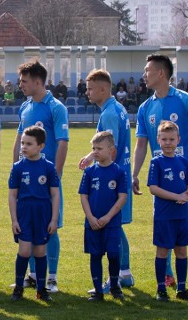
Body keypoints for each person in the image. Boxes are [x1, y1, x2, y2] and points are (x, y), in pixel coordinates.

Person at [133, 54, 188, 293]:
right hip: (161, 177)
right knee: (165, 221)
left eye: (147, 70)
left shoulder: (186, 100)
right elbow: (141, 144)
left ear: (161, 73)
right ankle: (168, 275)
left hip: (187, 173)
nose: (144, 74)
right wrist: (135, 174)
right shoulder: (145, 107)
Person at [12, 60, 68, 292]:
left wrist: (56, 174)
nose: (20, 85)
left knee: (49, 227)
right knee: (29, 226)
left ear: (37, 81)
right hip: (26, 178)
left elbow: (63, 142)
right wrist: (16, 165)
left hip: (46, 178)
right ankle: (34, 275)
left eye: (24, 81)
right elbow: (18, 140)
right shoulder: (25, 107)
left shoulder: (56, 107)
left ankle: (51, 277)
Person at [78, 70, 135, 293]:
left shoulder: (110, 113)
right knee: (117, 227)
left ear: (103, 89)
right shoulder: (117, 108)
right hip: (120, 176)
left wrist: (91, 157)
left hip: (112, 181)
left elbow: (110, 148)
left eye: (90, 88)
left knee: (112, 228)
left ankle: (116, 277)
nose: (87, 92)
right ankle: (125, 273)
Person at [147, 121, 188, 303]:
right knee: (162, 251)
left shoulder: (183, 161)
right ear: (158, 140)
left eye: (172, 139)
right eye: (164, 139)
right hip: (164, 215)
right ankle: (161, 289)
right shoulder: (156, 162)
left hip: (181, 215)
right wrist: (176, 195)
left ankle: (182, 288)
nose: (168, 142)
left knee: (182, 251)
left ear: (178, 140)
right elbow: (153, 188)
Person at [9, 125, 60, 302]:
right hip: (24, 212)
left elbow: (55, 194)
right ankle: (18, 289)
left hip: (42, 212)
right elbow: (12, 194)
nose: (23, 147)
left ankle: (41, 290)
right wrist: (14, 219)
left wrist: (54, 219)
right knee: (23, 251)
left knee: (39, 252)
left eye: (29, 144)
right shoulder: (17, 167)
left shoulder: (48, 167)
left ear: (41, 146)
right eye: (22, 143)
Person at [79, 131, 128, 301]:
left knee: (114, 254)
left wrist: (108, 217)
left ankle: (114, 285)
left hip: (112, 222)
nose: (95, 152)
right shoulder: (89, 172)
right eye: (93, 148)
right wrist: (91, 218)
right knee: (95, 255)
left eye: (99, 148)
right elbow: (83, 196)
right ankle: (98, 291)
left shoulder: (119, 172)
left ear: (111, 150)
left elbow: (122, 197)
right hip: (92, 223)